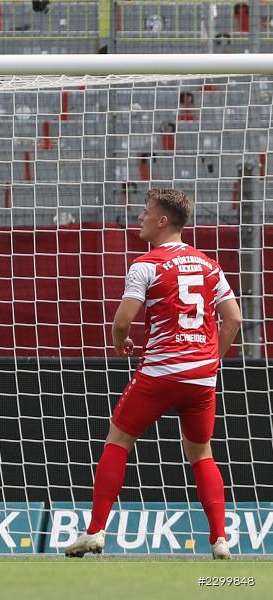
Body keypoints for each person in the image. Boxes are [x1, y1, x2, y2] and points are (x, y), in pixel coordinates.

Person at [65, 189, 242, 560]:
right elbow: (235, 319)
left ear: (163, 221)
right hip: (201, 379)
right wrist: (211, 359)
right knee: (202, 454)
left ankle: (95, 531)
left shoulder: (146, 264)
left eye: (146, 213)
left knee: (118, 440)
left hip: (160, 371)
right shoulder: (210, 265)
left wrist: (120, 342)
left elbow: (122, 320)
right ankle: (219, 539)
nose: (140, 218)